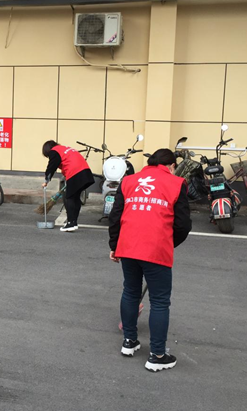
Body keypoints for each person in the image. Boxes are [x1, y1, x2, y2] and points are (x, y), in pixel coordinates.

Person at [108, 148, 191, 372]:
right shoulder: (176, 183)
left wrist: (114, 245)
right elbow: (183, 224)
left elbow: (115, 216)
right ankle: (157, 354)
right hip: (156, 249)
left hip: (128, 246)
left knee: (130, 292)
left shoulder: (128, 181)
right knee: (160, 301)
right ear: (172, 165)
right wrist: (168, 242)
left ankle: (129, 341)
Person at [42, 140, 94, 232]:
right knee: (75, 197)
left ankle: (70, 223)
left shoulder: (54, 151)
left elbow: (51, 166)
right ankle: (74, 222)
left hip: (75, 173)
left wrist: (46, 180)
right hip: (85, 172)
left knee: (68, 197)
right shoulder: (65, 149)